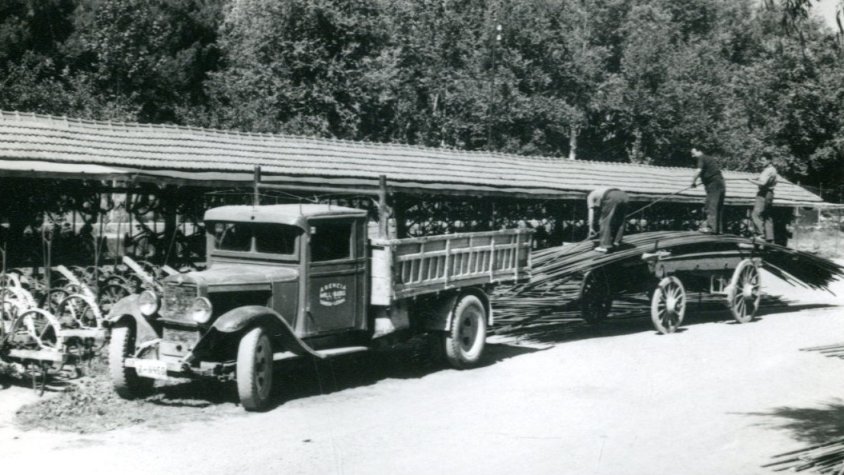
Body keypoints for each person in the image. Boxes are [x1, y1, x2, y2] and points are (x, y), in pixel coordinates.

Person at [690, 147, 726, 234]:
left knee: (710, 205)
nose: (692, 155)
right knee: (718, 207)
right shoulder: (710, 159)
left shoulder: (701, 158)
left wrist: (693, 182)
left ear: (700, 151)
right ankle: (718, 230)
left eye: (693, 153)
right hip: (720, 183)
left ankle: (710, 228)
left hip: (714, 184)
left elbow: (698, 171)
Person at [587, 187, 629, 253]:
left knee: (604, 221)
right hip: (624, 195)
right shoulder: (600, 191)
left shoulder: (590, 196)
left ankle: (604, 246)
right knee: (620, 219)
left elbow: (591, 212)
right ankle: (617, 242)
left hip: (611, 195)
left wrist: (591, 228)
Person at [748, 152, 778, 242]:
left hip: (764, 193)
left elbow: (763, 183)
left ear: (769, 161)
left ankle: (760, 234)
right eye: (761, 161)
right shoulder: (770, 169)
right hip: (769, 193)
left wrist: (750, 181)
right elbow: (762, 178)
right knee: (767, 216)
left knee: (755, 214)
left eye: (763, 161)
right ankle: (769, 237)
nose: (761, 162)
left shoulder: (769, 170)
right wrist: (756, 178)